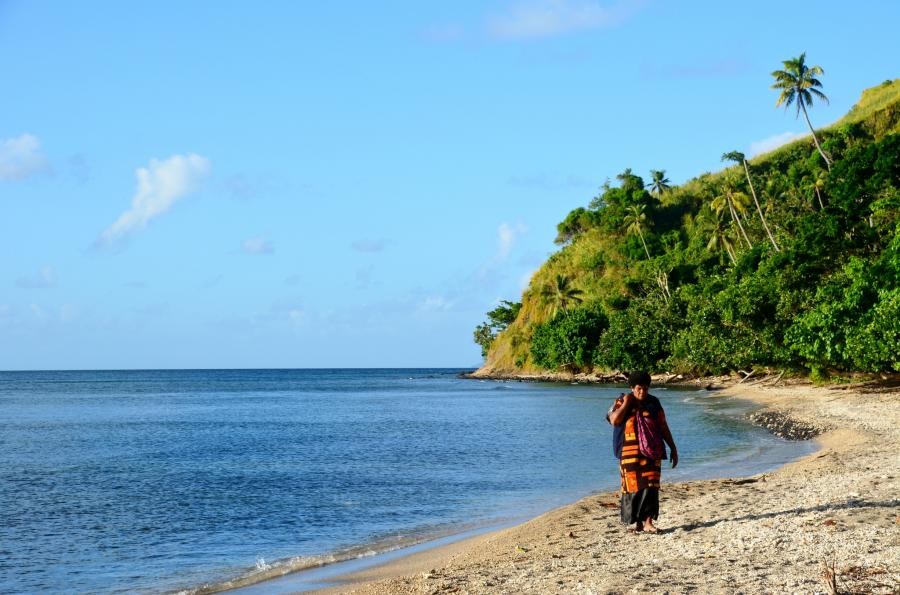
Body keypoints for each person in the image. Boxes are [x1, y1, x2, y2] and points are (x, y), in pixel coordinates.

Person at [606, 371, 678, 533]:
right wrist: (626, 403)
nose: (642, 392)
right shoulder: (621, 401)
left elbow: (663, 426)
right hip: (628, 452)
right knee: (632, 486)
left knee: (651, 486)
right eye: (639, 388)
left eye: (646, 388)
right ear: (632, 388)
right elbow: (614, 420)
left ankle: (648, 522)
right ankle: (636, 523)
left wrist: (673, 447)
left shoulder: (654, 403)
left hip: (652, 451)